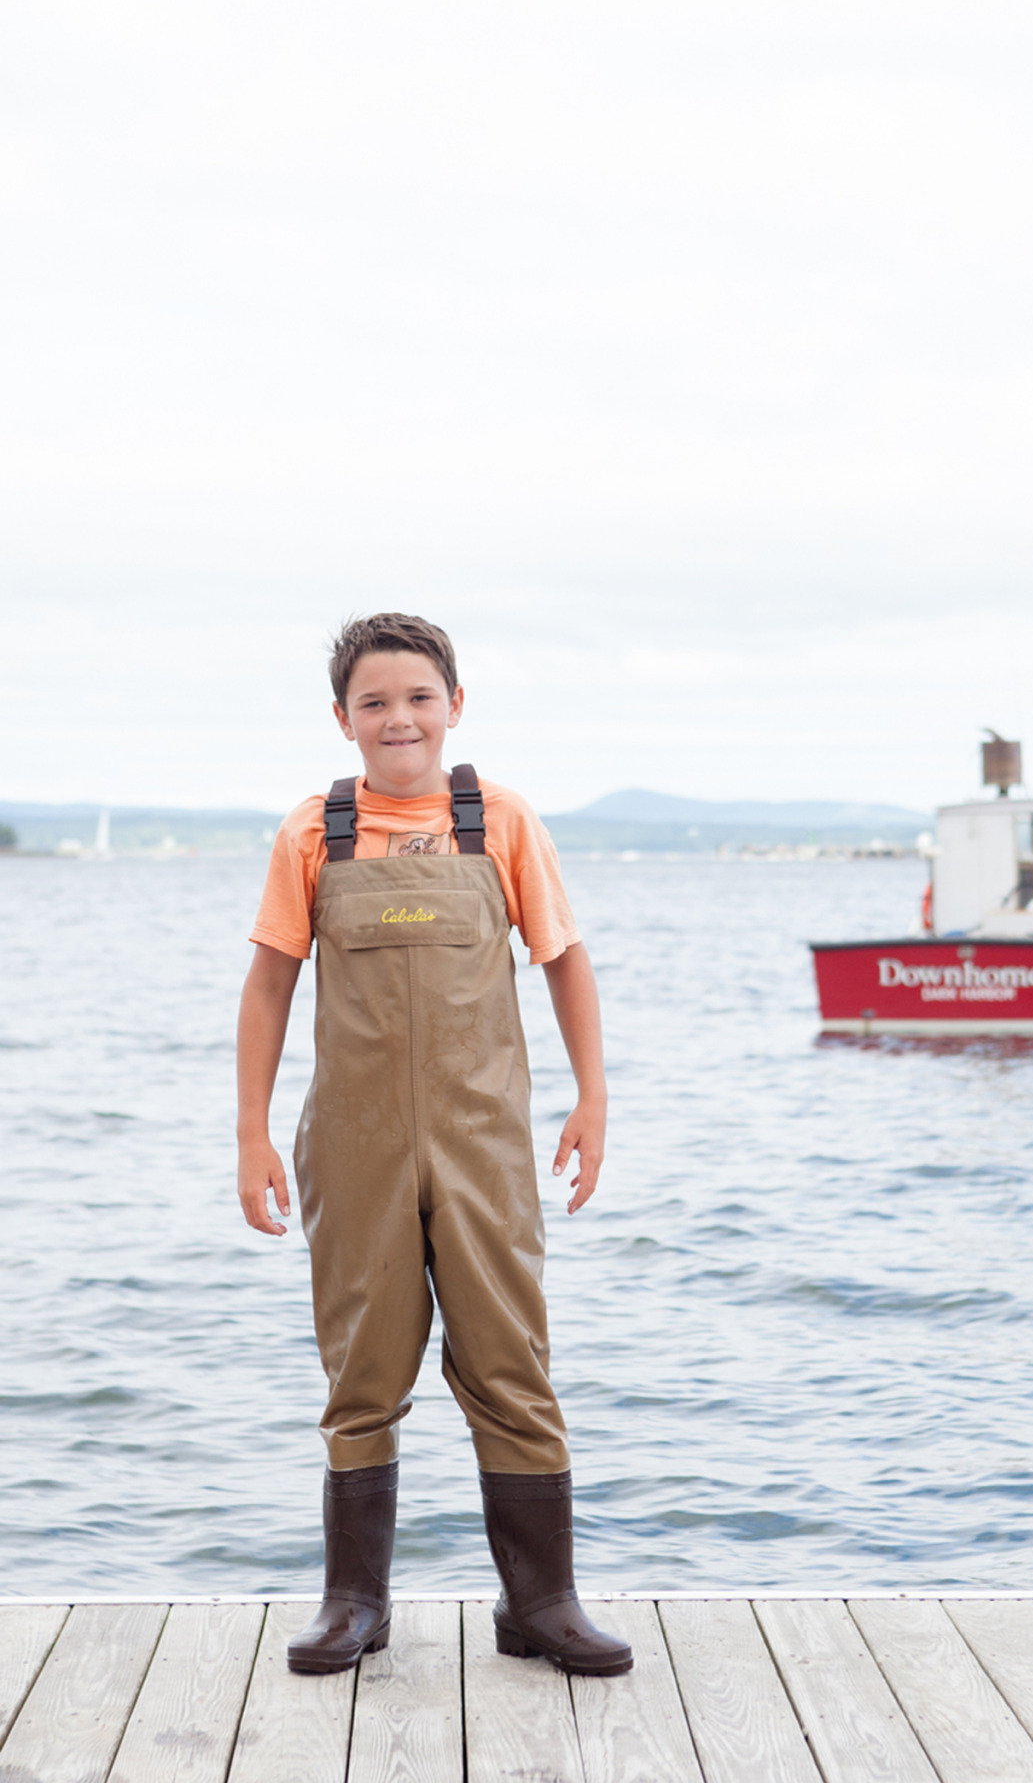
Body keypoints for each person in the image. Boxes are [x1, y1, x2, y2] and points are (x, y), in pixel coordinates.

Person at [235, 611, 631, 1678]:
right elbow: (270, 982)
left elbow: (564, 960)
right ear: (342, 719)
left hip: (482, 1141)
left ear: (454, 705)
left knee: (509, 1360)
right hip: (353, 1143)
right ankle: (352, 1603)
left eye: (418, 696)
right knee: (361, 1367)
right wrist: (251, 1133)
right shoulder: (312, 831)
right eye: (374, 701)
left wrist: (592, 1100)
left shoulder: (497, 821)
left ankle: (539, 1602)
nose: (397, 717)